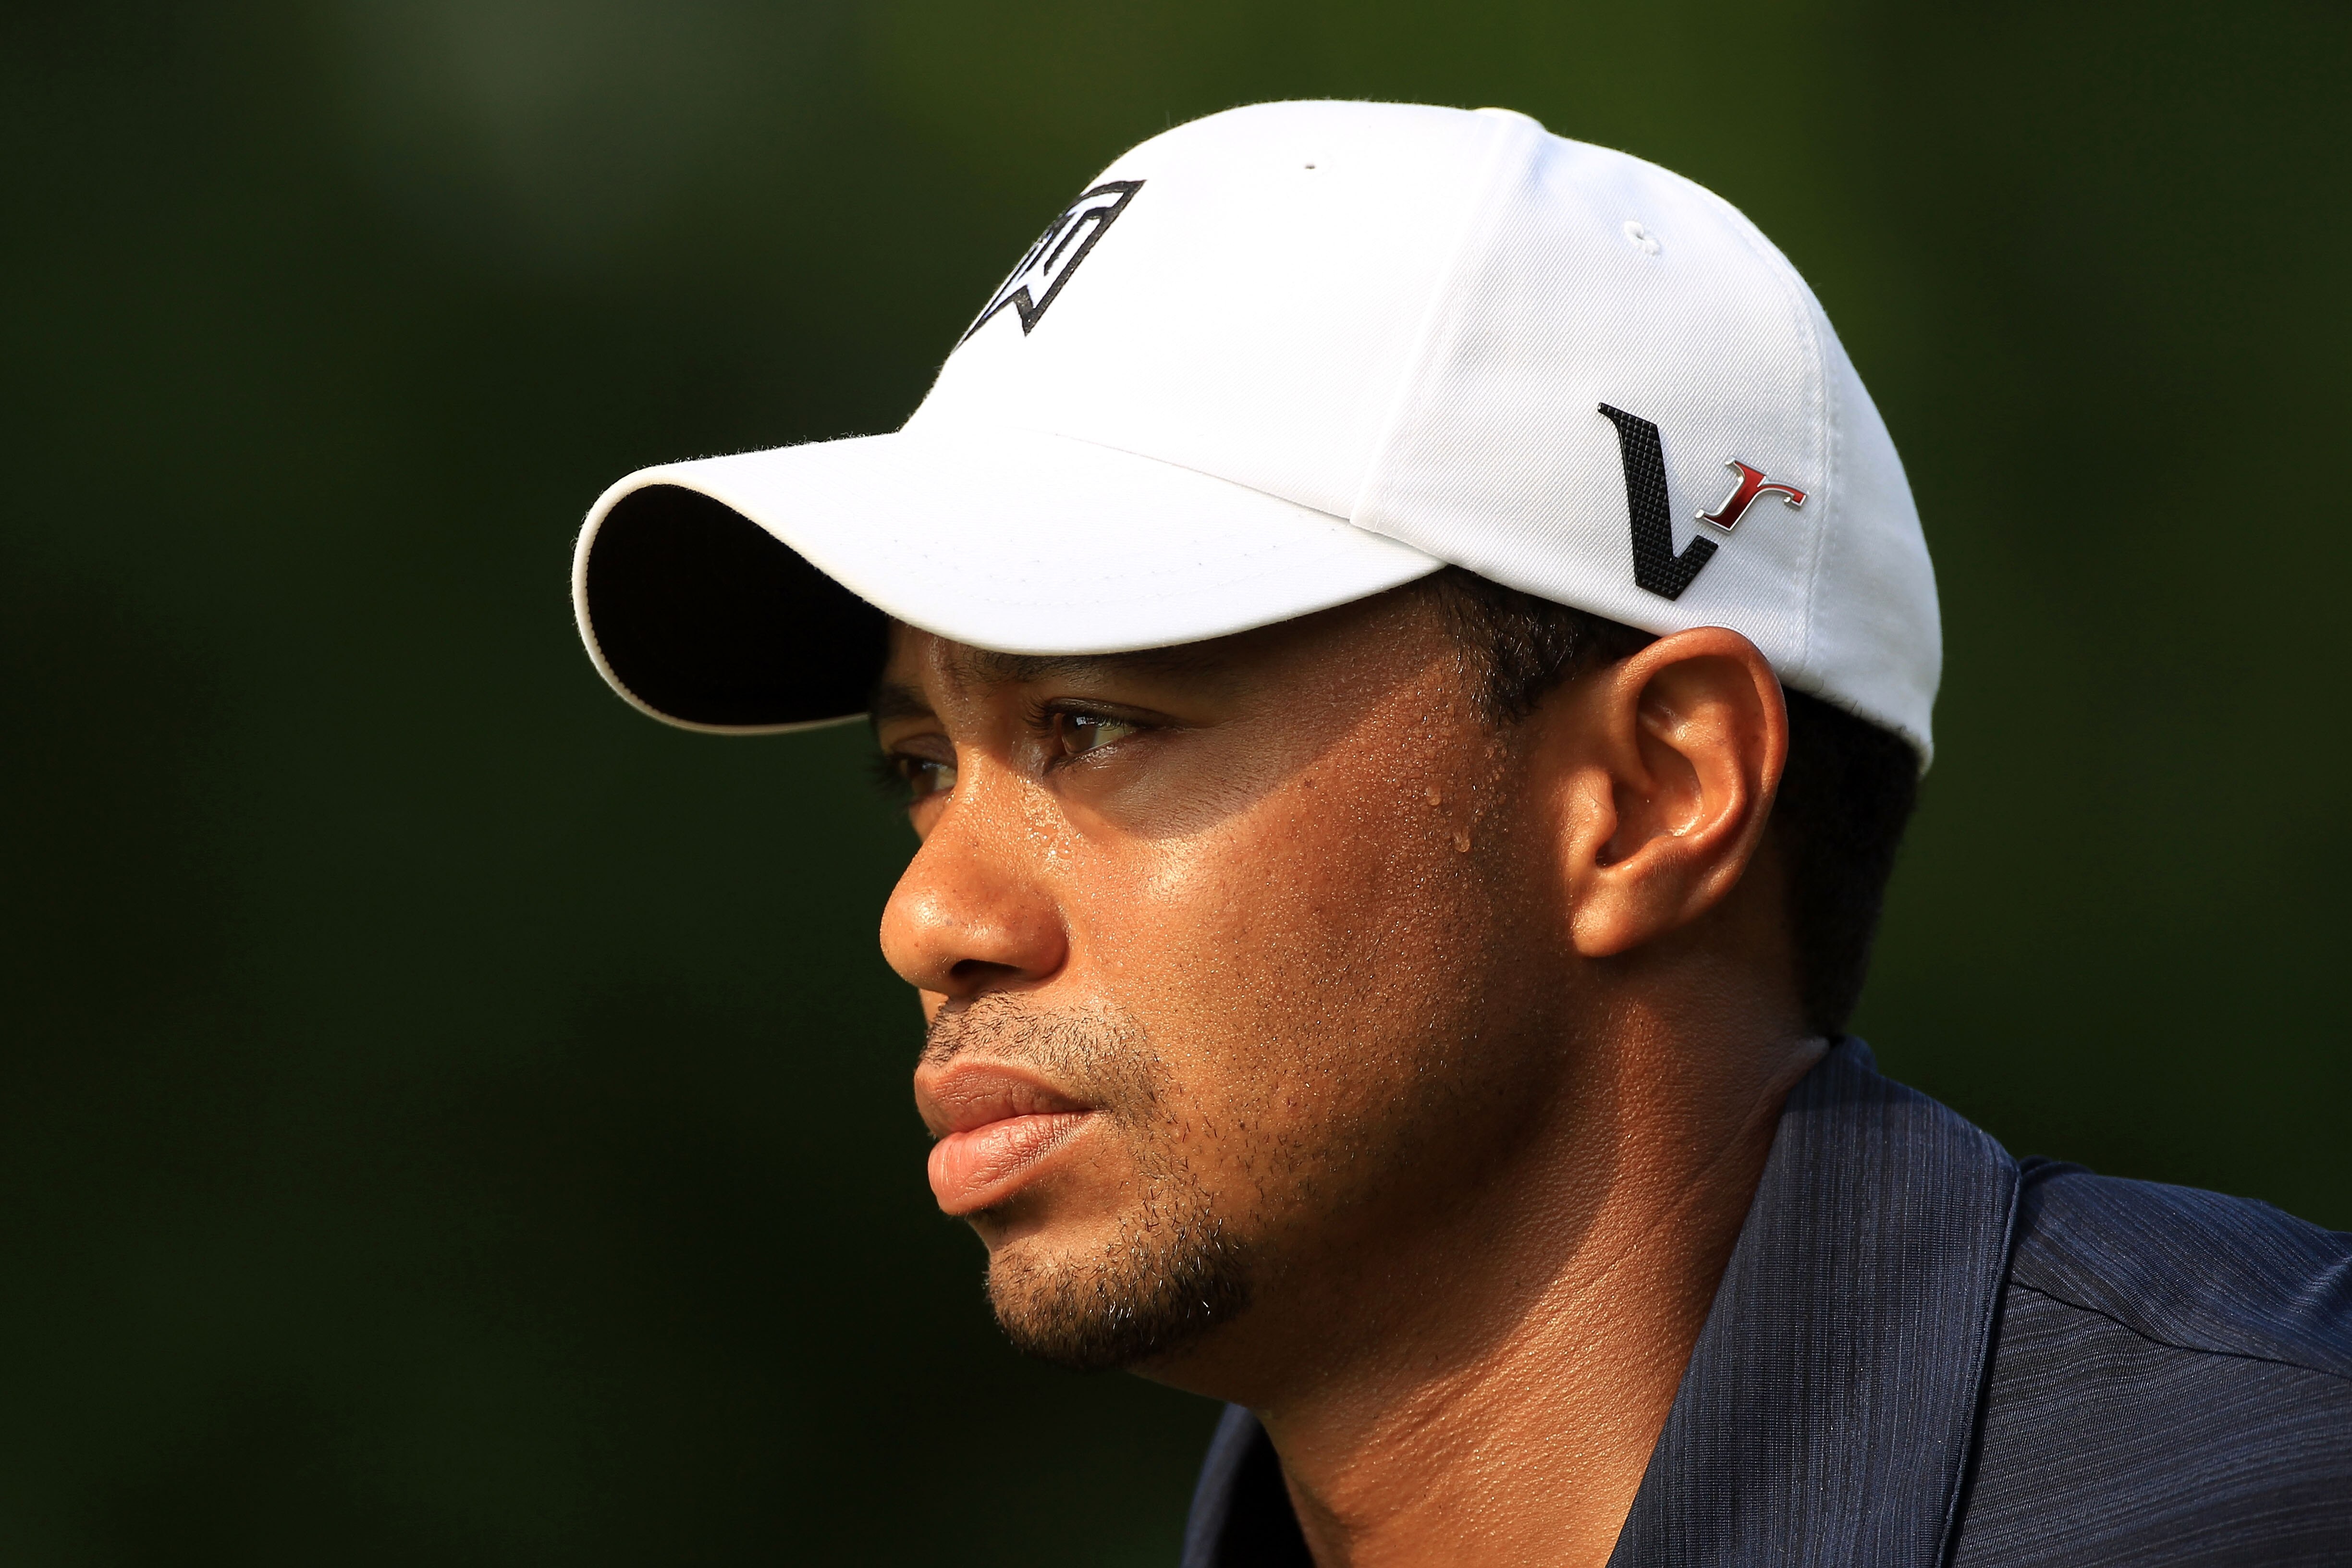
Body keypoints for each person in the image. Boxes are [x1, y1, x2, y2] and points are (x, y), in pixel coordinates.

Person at [567, 101, 2352, 1567]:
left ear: (1651, 796)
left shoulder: (2270, 1489)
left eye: (1093, 726)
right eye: (921, 767)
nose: (931, 914)